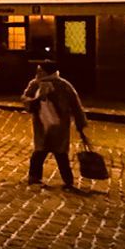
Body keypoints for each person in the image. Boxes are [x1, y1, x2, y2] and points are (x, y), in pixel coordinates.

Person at [21, 61, 88, 189]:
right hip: (42, 125)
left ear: (48, 72)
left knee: (61, 154)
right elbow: (25, 100)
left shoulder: (63, 85)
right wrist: (36, 99)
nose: (38, 73)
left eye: (41, 70)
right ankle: (34, 177)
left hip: (59, 127)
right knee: (39, 152)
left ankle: (68, 180)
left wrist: (80, 123)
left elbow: (75, 105)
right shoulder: (35, 84)